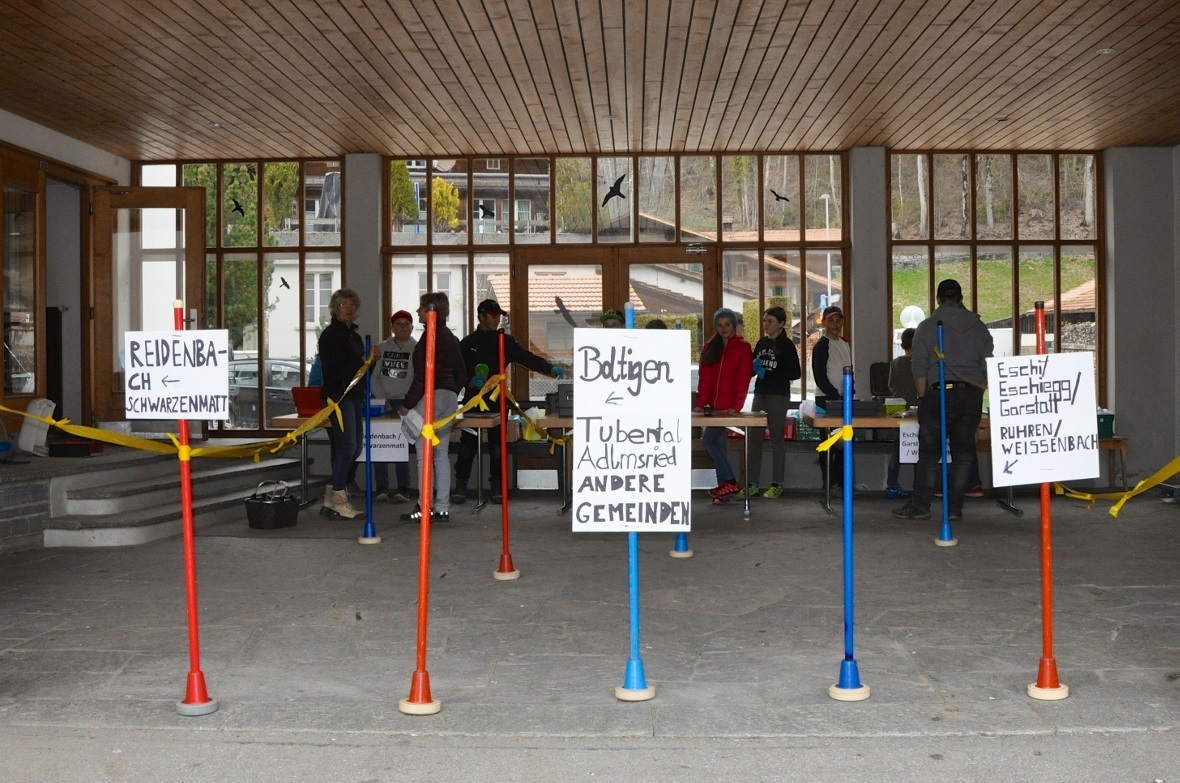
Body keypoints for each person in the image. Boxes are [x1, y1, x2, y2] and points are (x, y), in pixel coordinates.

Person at [893, 279, 993, 521]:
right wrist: (977, 391)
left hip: (938, 392)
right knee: (963, 455)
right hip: (970, 395)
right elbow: (988, 363)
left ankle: (921, 506)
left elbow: (918, 365)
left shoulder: (927, 327)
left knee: (928, 454)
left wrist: (922, 396)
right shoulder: (979, 327)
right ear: (961, 298)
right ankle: (954, 509)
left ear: (938, 299)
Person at [452, 299, 563, 504]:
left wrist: (550, 368)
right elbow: (456, 372)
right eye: (492, 315)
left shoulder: (506, 341)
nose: (496, 320)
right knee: (467, 445)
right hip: (473, 400)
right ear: (481, 316)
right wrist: (468, 382)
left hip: (497, 399)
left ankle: (497, 488)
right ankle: (460, 485)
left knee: (497, 447)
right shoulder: (467, 343)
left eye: (499, 316)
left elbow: (527, 358)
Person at [399, 292, 468, 523]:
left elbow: (422, 377)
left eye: (420, 308)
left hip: (431, 397)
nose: (417, 312)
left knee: (423, 455)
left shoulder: (431, 336)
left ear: (430, 311)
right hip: (449, 399)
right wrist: (450, 392)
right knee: (441, 454)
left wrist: (407, 404)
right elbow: (462, 372)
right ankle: (442, 508)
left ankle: (424, 506)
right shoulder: (449, 336)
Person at [317, 288, 371, 520]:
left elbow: (362, 371)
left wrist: (370, 362)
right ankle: (339, 498)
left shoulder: (355, 336)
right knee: (347, 447)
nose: (348, 309)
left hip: (354, 396)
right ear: (334, 309)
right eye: (343, 305)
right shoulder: (330, 335)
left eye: (352, 305)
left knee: (355, 447)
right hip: (338, 397)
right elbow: (336, 369)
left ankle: (330, 498)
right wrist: (359, 361)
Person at [741, 306, 801, 500]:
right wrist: (751, 367)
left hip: (778, 395)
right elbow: (751, 369)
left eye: (770, 321)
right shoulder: (761, 343)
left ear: (781, 324)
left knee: (777, 439)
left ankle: (777, 483)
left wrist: (771, 373)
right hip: (760, 393)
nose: (766, 325)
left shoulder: (787, 346)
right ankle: (752, 483)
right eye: (764, 321)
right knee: (754, 438)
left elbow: (795, 373)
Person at [694, 307, 754, 501]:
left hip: (728, 408)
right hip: (712, 408)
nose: (723, 329)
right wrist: (701, 404)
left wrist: (736, 406)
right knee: (718, 443)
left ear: (734, 326)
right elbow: (704, 379)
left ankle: (729, 481)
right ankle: (724, 491)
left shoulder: (743, 347)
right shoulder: (710, 347)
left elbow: (743, 379)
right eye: (719, 325)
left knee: (709, 440)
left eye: (727, 325)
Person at [369, 309, 416, 502]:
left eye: (407, 324)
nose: (403, 327)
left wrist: (410, 401)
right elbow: (374, 377)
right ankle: (381, 488)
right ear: (392, 327)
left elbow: (419, 378)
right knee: (381, 443)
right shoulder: (380, 348)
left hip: (407, 403)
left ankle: (403, 489)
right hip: (383, 403)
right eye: (399, 324)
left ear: (412, 327)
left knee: (401, 446)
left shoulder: (418, 348)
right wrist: (381, 398)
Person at [811, 304, 851, 487]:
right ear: (824, 323)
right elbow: (820, 376)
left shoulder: (845, 344)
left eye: (838, 321)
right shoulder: (822, 345)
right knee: (828, 444)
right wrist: (835, 396)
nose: (835, 324)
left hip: (843, 400)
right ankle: (828, 484)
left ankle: (840, 483)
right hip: (826, 400)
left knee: (843, 444)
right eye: (831, 321)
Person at [885, 327, 919, 499]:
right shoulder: (920, 363)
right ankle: (919, 487)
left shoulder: (896, 362)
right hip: (916, 413)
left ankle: (892, 485)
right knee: (917, 451)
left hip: (898, 412)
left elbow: (890, 387)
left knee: (897, 451)